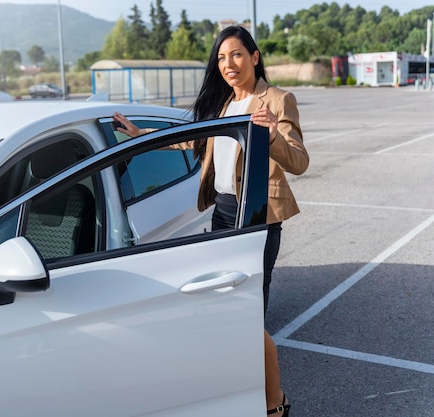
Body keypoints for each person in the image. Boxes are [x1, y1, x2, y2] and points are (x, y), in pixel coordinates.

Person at [113, 25, 308, 417]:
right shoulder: (223, 104)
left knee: (249, 311)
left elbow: (299, 161)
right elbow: (193, 141)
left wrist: (270, 135)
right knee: (224, 306)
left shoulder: (277, 99)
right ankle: (238, 385)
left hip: (257, 216)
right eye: (221, 58)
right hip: (222, 212)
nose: (228, 64)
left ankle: (275, 402)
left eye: (236, 54)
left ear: (254, 57)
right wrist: (140, 135)